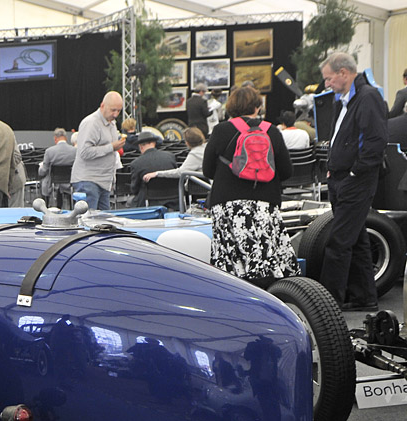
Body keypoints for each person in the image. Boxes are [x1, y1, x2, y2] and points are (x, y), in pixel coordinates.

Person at [202, 85, 295, 288]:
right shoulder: (271, 131)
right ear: (257, 107)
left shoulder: (220, 130)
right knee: (265, 256)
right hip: (264, 204)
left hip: (227, 205)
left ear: (231, 107)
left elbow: (207, 170)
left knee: (230, 261)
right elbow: (287, 171)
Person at [318, 51, 388, 311]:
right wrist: (332, 169)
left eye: (328, 78)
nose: (327, 84)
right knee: (355, 240)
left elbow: (375, 142)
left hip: (356, 181)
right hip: (340, 179)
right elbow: (339, 137)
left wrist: (353, 173)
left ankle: (327, 305)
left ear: (343, 73)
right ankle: (364, 298)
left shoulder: (368, 97)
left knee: (338, 243)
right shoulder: (343, 100)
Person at [71, 92, 126, 210]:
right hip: (88, 181)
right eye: (113, 110)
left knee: (103, 222)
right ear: (102, 106)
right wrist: (111, 147)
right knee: (88, 221)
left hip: (103, 181)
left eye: (119, 111)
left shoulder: (112, 123)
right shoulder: (91, 123)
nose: (116, 114)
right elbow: (84, 152)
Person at [142, 127, 207, 183]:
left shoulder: (195, 154)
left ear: (187, 143)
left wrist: (157, 173)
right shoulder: (206, 148)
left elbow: (180, 172)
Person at [127, 132, 176, 206]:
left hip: (149, 201)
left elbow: (134, 189)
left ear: (141, 147)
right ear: (154, 143)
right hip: (174, 198)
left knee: (130, 201)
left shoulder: (136, 163)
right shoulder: (170, 156)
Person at [37, 127, 77, 204]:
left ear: (55, 138)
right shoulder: (74, 151)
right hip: (70, 183)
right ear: (65, 138)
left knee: (45, 179)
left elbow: (43, 171)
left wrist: (40, 169)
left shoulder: (49, 151)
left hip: (53, 183)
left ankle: (46, 206)